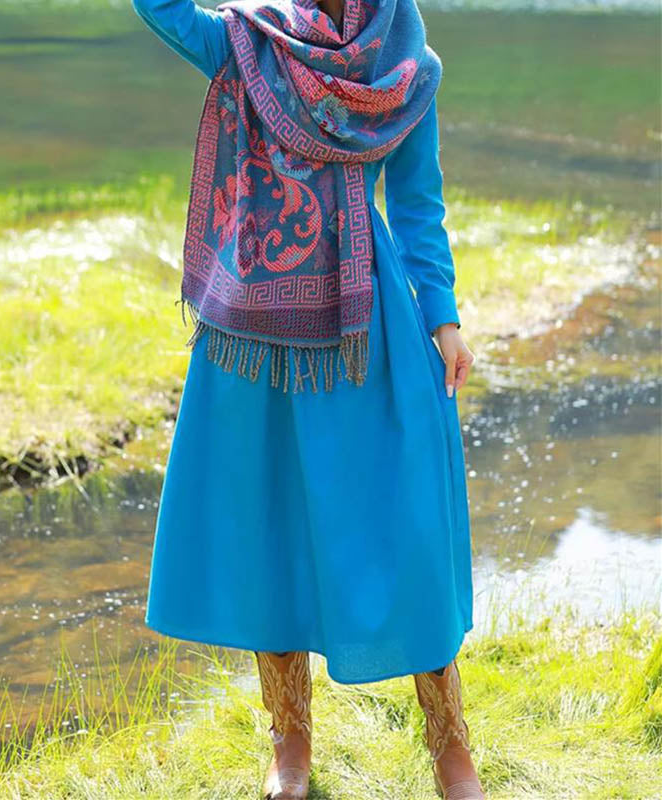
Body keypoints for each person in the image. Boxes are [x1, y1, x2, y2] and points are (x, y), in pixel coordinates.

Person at [132, 0, 483, 797]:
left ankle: (450, 745)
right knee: (270, 524)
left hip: (371, 325)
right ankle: (290, 744)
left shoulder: (406, 71)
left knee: (408, 526)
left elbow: (419, 205)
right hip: (257, 336)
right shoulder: (245, 41)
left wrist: (446, 319)